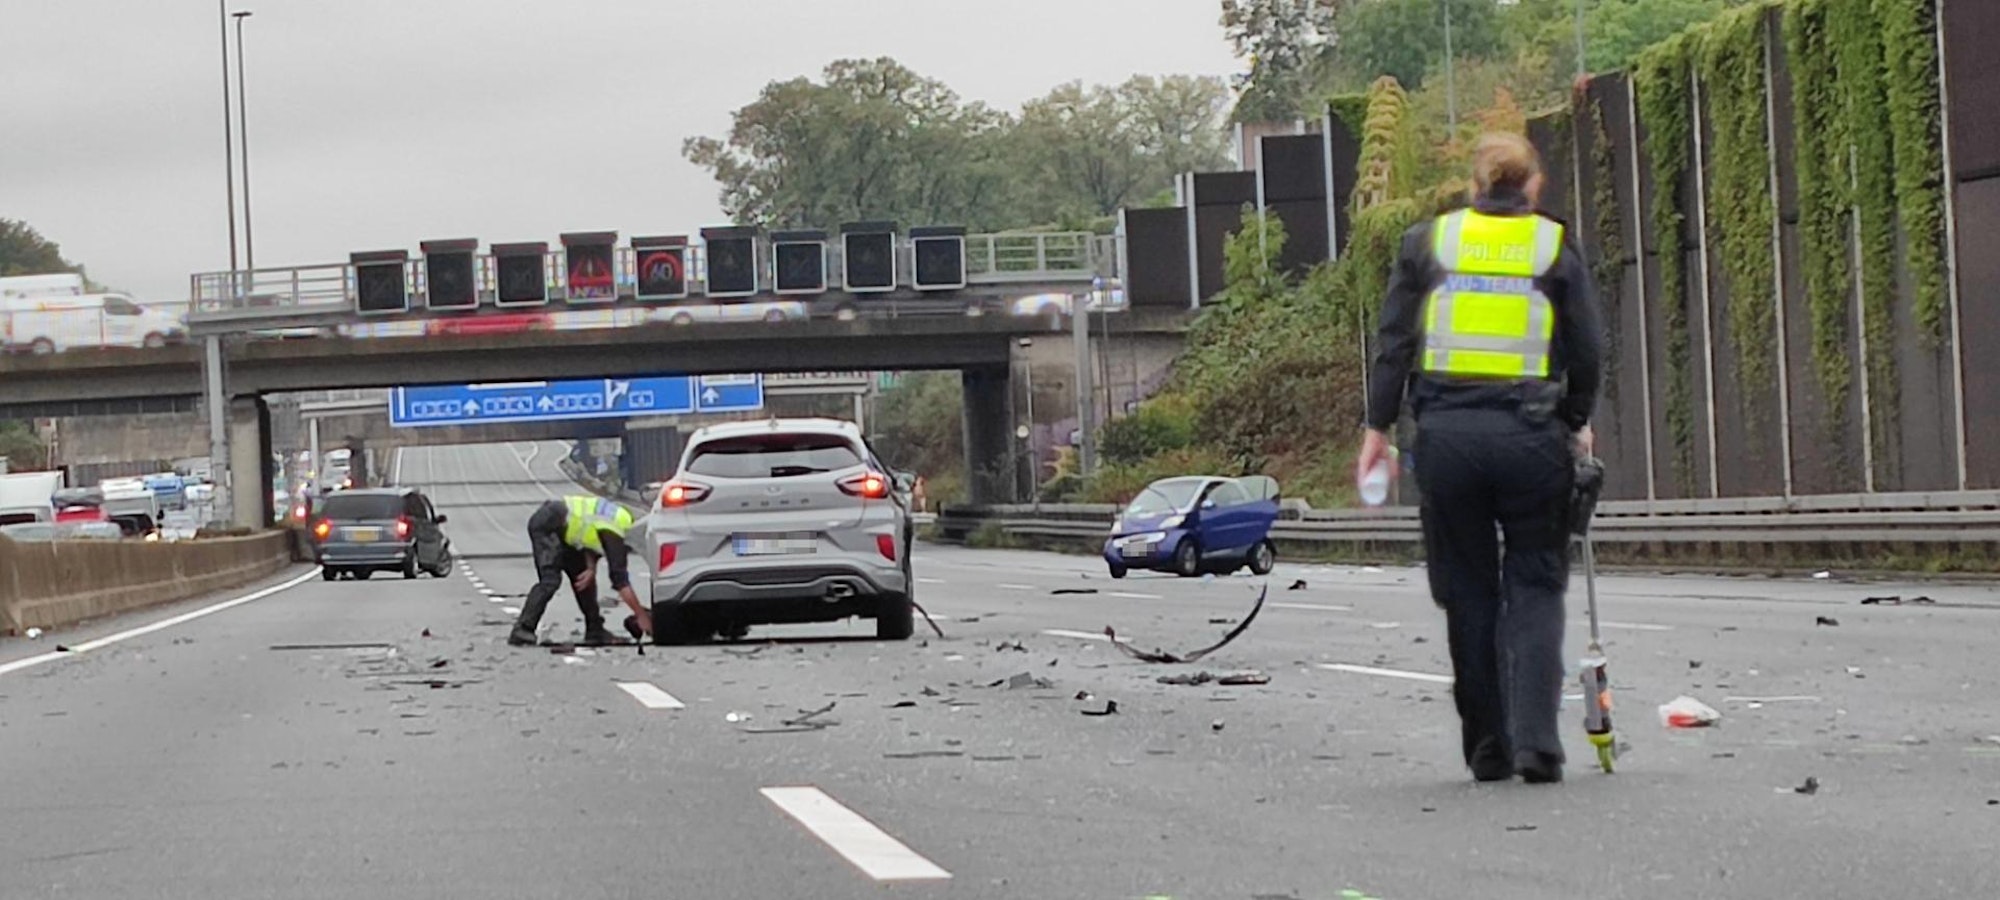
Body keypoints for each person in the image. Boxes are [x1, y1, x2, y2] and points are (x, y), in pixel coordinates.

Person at [1353, 132, 1604, 784]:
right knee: (1536, 583)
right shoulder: (1553, 245)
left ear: (1474, 184)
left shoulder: (1428, 242)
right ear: (1532, 184)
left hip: (1448, 440)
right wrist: (1576, 419)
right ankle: (1537, 744)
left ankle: (1488, 745)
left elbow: (1393, 343)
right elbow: (1586, 347)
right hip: (1531, 437)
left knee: (1468, 590)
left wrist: (1378, 427)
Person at [509, 495, 653, 647]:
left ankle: (595, 630)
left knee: (583, 577)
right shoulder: (617, 531)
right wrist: (641, 616)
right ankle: (523, 629)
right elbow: (619, 579)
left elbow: (591, 538)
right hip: (550, 524)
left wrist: (591, 568)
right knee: (550, 580)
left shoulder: (618, 522)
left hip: (566, 532)